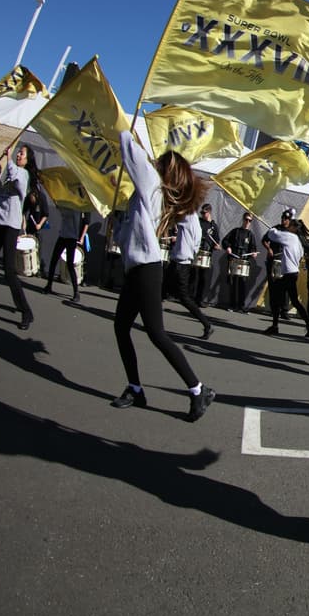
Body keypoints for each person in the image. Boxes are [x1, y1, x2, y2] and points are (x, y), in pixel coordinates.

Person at [108, 133, 215, 421]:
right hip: (136, 268)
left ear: (164, 170)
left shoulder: (152, 185)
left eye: (158, 162)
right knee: (121, 328)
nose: (153, 162)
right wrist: (117, 223)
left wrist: (125, 131)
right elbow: (127, 233)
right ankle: (135, 388)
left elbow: (129, 148)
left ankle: (197, 389)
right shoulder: (145, 194)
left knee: (156, 333)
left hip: (147, 268)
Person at [0, 145, 37, 329]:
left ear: (27, 159)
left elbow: (16, 177)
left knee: (9, 271)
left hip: (11, 227)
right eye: (17, 152)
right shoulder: (9, 172)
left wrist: (8, 158)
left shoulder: (23, 174)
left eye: (21, 153)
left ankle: (26, 312)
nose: (18, 154)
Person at [165, 208, 214, 340]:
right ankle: (151, 322)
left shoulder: (188, 216)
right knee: (160, 290)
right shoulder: (193, 220)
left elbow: (173, 217)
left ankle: (207, 324)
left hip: (181, 263)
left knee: (184, 298)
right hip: (178, 261)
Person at [264, 213, 309, 338]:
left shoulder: (289, 237)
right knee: (294, 301)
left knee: (277, 298)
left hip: (288, 274)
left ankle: (275, 326)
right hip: (292, 273)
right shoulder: (299, 242)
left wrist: (273, 228)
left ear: (293, 227)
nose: (287, 226)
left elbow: (272, 234)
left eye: (290, 224)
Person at [43, 204, 89, 302]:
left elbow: (72, 217)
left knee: (70, 264)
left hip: (71, 238)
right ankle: (49, 285)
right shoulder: (66, 205)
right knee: (54, 260)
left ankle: (76, 292)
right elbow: (61, 211)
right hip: (63, 235)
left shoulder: (77, 208)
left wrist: (79, 238)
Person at [221, 211, 258, 312]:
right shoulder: (235, 231)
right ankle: (232, 305)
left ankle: (241, 306)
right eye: (246, 219)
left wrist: (253, 253)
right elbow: (225, 241)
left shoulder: (251, 235)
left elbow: (253, 248)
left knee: (243, 284)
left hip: (244, 262)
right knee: (234, 283)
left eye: (249, 220)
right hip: (234, 259)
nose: (247, 222)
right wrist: (228, 247)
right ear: (243, 219)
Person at [192, 203, 220, 306]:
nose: (203, 214)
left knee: (203, 278)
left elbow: (217, 241)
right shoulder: (199, 223)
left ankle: (200, 299)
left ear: (209, 212)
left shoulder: (214, 226)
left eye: (204, 213)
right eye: (202, 213)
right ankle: (190, 297)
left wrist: (216, 246)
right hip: (197, 252)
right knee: (194, 275)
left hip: (207, 254)